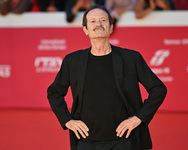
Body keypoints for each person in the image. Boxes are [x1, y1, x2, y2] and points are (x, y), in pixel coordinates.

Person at [47, 5, 167, 150]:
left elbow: (158, 89)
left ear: (110, 28)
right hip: (85, 142)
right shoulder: (72, 61)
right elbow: (54, 92)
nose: (98, 24)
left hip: (125, 142)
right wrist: (67, 120)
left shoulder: (131, 58)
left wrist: (138, 118)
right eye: (93, 21)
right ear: (85, 30)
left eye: (103, 20)